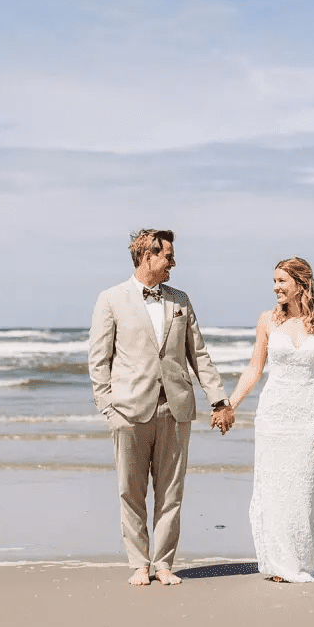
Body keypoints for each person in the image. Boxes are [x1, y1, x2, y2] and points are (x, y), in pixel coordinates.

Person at [88, 229, 235, 586]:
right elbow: (98, 359)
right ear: (146, 256)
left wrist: (219, 399)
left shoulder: (180, 300)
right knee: (131, 490)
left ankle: (164, 562)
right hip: (128, 410)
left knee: (171, 492)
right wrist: (109, 408)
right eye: (168, 256)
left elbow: (198, 354)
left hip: (175, 409)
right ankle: (140, 563)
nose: (173, 262)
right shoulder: (111, 299)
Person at [228, 257, 314, 583]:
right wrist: (230, 403)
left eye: (281, 281)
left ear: (300, 283)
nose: (276, 287)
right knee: (276, 488)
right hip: (274, 414)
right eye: (274, 281)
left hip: (310, 413)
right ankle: (280, 563)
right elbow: (254, 369)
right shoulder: (267, 320)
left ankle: (304, 557)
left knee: (305, 487)